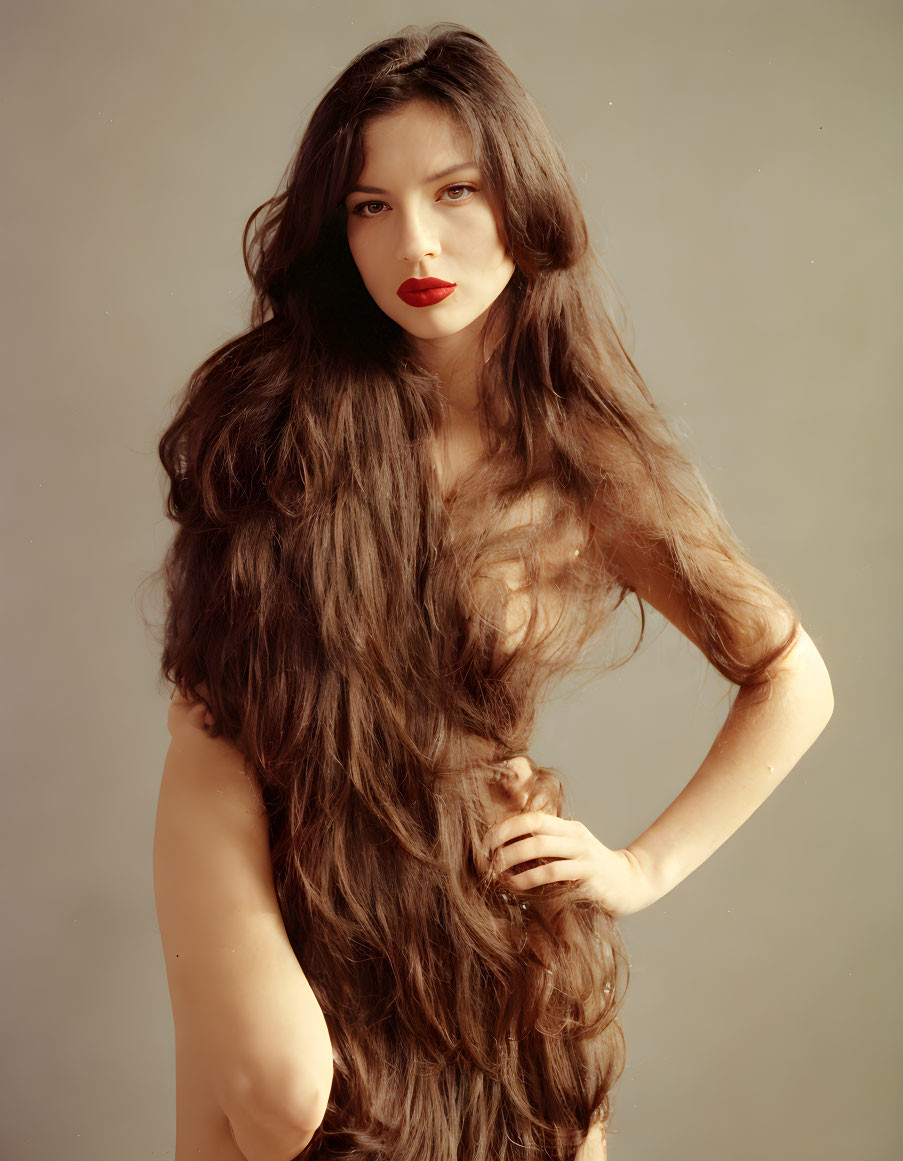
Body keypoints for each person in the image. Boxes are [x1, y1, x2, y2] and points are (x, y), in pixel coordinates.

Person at [151, 22, 834, 1161]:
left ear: (521, 197)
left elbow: (791, 678)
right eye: (370, 206)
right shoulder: (271, 409)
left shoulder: (584, 467)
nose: (415, 239)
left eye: (455, 191)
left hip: (465, 876)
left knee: (541, 1132)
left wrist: (637, 868)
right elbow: (214, 676)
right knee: (280, 1102)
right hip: (252, 795)